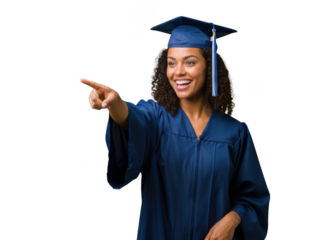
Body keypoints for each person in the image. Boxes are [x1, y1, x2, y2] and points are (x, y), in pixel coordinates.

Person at [80, 15, 270, 240]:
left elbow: (252, 197)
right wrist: (114, 104)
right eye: (172, 63)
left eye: (190, 62)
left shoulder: (235, 133)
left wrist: (233, 218)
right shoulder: (157, 118)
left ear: (209, 67)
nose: (178, 71)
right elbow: (135, 119)